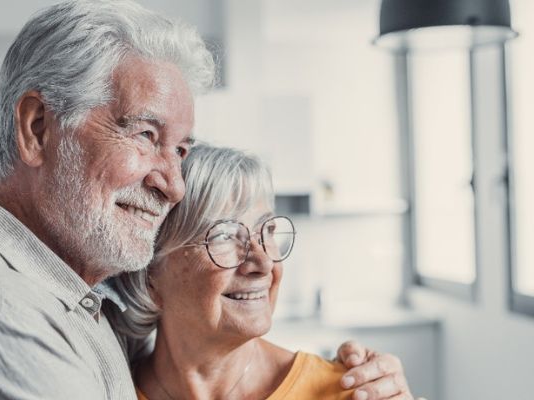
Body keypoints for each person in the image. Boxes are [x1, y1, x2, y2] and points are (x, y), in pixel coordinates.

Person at [0, 1, 413, 399]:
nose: (173, 182)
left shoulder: (69, 301)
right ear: (39, 128)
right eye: (145, 135)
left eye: (181, 150)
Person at [108, 144, 414, 400]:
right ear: (149, 270)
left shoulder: (348, 391)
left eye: (267, 230)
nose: (264, 262)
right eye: (224, 234)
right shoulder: (106, 391)